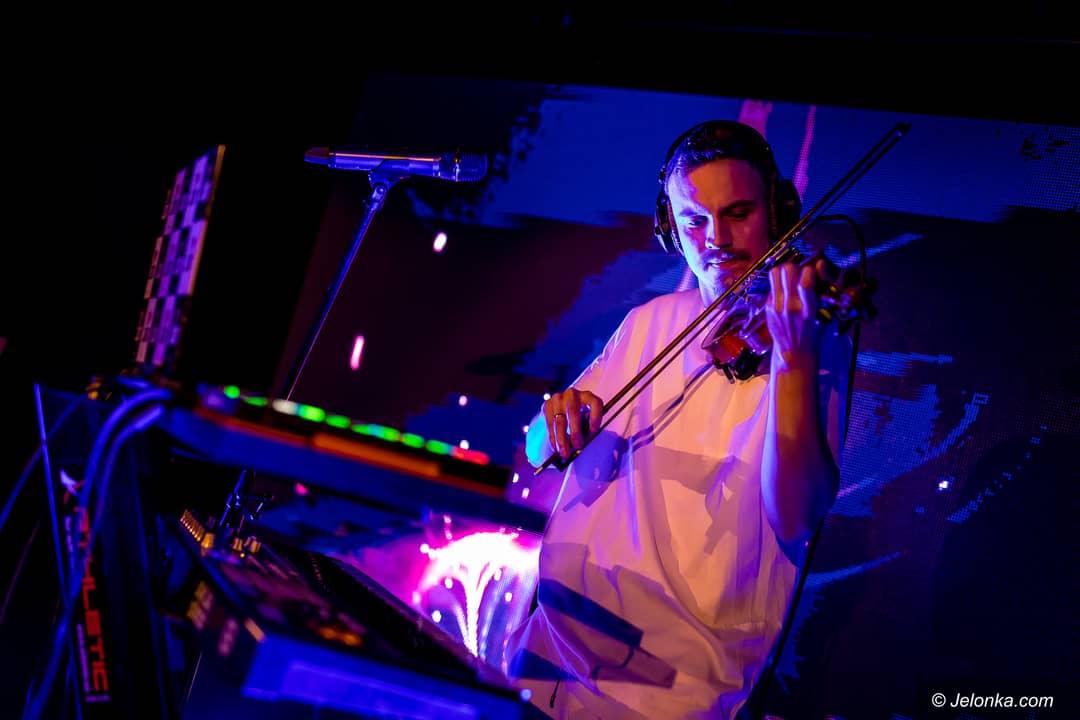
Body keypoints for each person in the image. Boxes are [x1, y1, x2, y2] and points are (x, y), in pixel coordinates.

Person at [504, 119, 852, 719]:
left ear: (778, 212)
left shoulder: (808, 350)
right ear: (670, 227)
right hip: (541, 657)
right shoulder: (652, 321)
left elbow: (798, 516)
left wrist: (795, 354)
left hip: (662, 698)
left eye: (738, 213)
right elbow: (540, 448)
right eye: (694, 220)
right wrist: (555, 419)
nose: (717, 238)